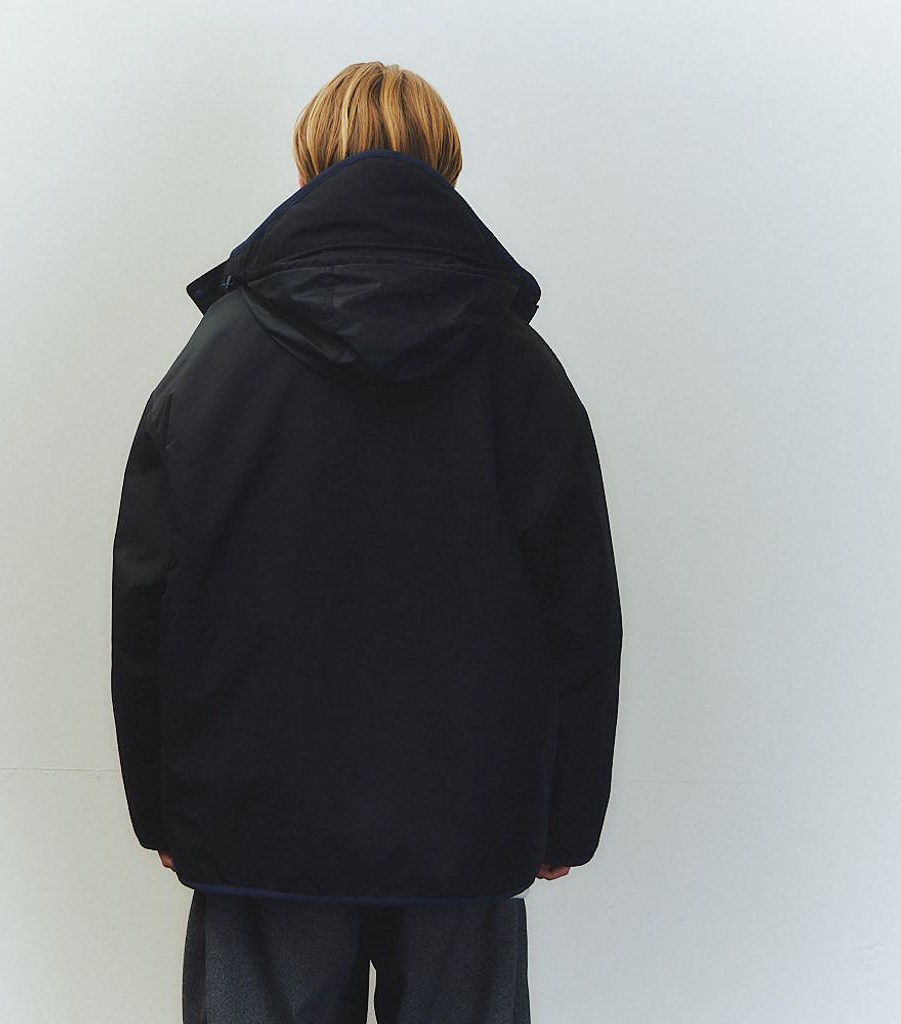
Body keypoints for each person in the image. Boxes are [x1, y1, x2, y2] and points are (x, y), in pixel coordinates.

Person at [111, 60, 623, 1024]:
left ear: (310, 160)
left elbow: (147, 600)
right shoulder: (518, 366)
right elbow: (582, 614)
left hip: (255, 810)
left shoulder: (217, 361)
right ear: (446, 164)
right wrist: (567, 814)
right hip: (468, 816)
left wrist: (163, 808)